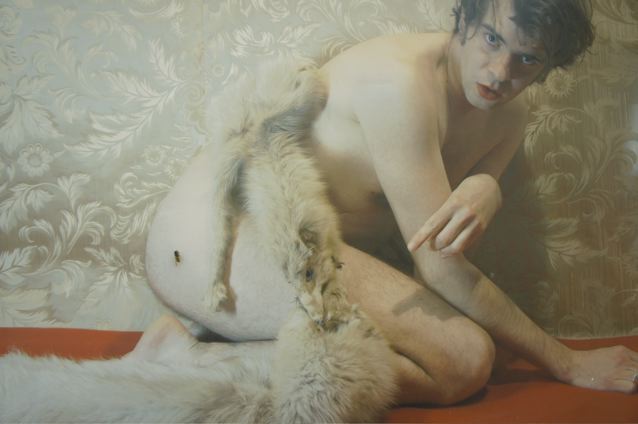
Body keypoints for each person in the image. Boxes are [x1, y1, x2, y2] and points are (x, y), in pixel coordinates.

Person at [144, 0, 638, 405]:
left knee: (486, 347)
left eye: (527, 60)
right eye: (492, 39)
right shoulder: (400, 85)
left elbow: (446, 240)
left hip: (304, 252)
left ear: (547, 66)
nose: (500, 72)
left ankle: (203, 350)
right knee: (465, 358)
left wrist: (490, 185)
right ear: (466, 17)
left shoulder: (509, 116)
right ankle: (186, 358)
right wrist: (567, 362)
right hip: (218, 236)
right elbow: (440, 267)